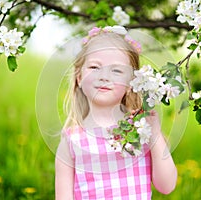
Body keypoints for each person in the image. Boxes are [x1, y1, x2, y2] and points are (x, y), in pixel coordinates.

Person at [55, 26, 177, 200]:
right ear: (79, 78)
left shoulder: (140, 130)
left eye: (117, 70)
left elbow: (167, 186)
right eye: (95, 67)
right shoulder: (71, 141)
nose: (104, 76)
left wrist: (155, 135)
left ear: (131, 85)